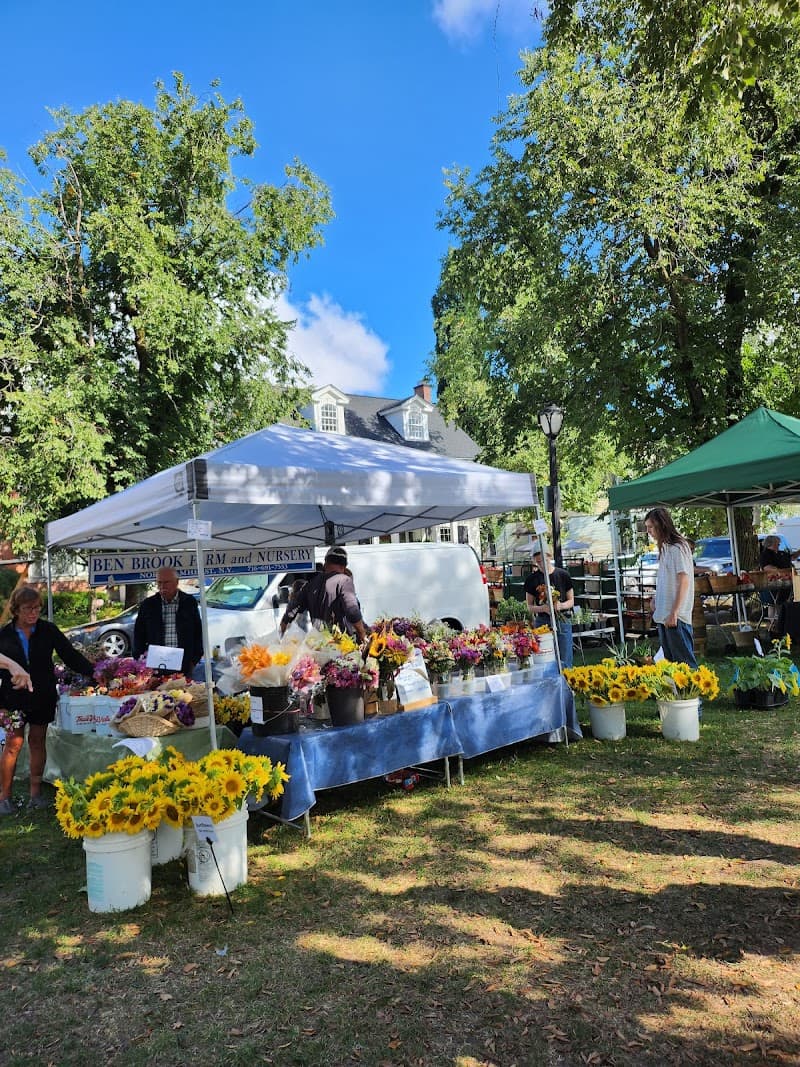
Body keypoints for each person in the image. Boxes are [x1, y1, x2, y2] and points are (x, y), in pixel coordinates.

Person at [0, 586, 95, 814]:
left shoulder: (48, 630)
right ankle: (4, 796)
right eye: (28, 609)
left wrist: (95, 672)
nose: (33, 613)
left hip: (43, 696)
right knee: (13, 744)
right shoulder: (4, 634)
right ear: (16, 610)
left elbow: (69, 655)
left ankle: (35, 794)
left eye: (37, 608)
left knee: (37, 741)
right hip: (12, 698)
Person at [279, 546, 367, 642]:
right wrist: (362, 635)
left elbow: (291, 610)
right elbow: (352, 611)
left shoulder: (310, 584)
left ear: (326, 563)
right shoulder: (344, 580)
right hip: (341, 644)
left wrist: (280, 633)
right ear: (344, 566)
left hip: (318, 643)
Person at [644, 507, 697, 666]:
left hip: (676, 617)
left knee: (685, 666)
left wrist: (674, 612)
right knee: (670, 667)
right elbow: (667, 580)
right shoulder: (665, 547)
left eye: (650, 527)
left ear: (661, 524)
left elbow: (684, 580)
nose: (648, 531)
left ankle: (695, 686)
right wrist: (656, 599)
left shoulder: (678, 547)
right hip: (664, 615)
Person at [133, 566, 203, 676]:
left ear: (176, 582)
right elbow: (138, 634)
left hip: (183, 663)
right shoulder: (148, 604)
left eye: (166, 582)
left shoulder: (189, 602)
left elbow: (198, 632)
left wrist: (194, 660)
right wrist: (140, 658)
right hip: (155, 665)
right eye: (159, 583)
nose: (162, 586)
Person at [524, 547, 575, 668]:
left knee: (565, 656)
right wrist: (543, 608)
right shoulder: (532, 579)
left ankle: (566, 677)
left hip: (562, 619)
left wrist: (560, 606)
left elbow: (571, 601)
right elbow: (528, 606)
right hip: (542, 621)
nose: (541, 564)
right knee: (544, 656)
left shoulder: (563, 575)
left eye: (544, 560)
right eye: (538, 562)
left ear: (549, 557)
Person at [758, 535, 799, 620]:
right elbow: (767, 567)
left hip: (784, 584)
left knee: (780, 603)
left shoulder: (781, 553)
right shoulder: (765, 554)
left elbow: (792, 557)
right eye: (777, 543)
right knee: (773, 604)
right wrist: (782, 572)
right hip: (771, 586)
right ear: (771, 544)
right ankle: (775, 623)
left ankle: (779, 622)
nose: (779, 545)